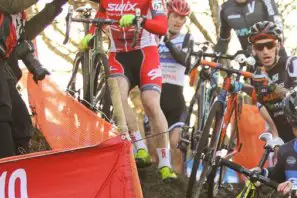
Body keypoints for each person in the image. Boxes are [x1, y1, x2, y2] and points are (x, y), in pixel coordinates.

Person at [80, 0, 177, 181]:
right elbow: (101, 14)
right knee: (117, 97)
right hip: (118, 56)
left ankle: (165, 163)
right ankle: (140, 147)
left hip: (145, 54)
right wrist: (92, 33)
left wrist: (139, 20)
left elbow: (162, 27)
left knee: (150, 102)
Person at [0, 0, 66, 157]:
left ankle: (19, 161)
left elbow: (24, 36)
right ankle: (5, 163)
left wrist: (56, 6)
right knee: (3, 109)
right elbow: (11, 5)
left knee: (21, 118)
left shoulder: (17, 15)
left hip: (4, 68)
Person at [145, 0, 192, 174]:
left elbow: (185, 61)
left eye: (182, 18)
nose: (179, 21)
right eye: (175, 16)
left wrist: (168, 42)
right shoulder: (152, 36)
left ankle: (178, 190)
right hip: (154, 98)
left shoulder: (186, 38)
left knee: (175, 146)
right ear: (167, 15)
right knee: (154, 155)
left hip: (175, 101)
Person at [245, 20, 297, 142]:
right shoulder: (257, 74)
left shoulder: (292, 63)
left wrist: (271, 86)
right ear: (254, 50)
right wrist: (237, 86)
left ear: (278, 45)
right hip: (281, 140)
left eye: (270, 45)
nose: (265, 51)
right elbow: (259, 99)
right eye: (259, 47)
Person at [214, 0, 283, 55]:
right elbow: (224, 39)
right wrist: (214, 56)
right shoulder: (225, 8)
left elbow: (277, 30)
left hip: (274, 54)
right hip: (249, 58)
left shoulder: (266, 1)